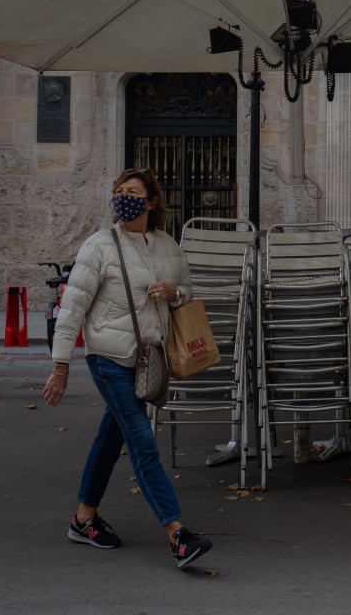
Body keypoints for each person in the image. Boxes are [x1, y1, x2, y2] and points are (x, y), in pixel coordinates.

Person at [42, 168, 213, 569]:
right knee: (141, 440)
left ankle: (83, 520)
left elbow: (188, 290)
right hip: (108, 357)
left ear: (151, 201)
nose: (124, 198)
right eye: (119, 192)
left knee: (110, 438)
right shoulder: (99, 246)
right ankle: (177, 535)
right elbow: (72, 308)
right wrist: (60, 366)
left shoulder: (168, 246)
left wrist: (174, 292)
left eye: (133, 192)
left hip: (146, 360)